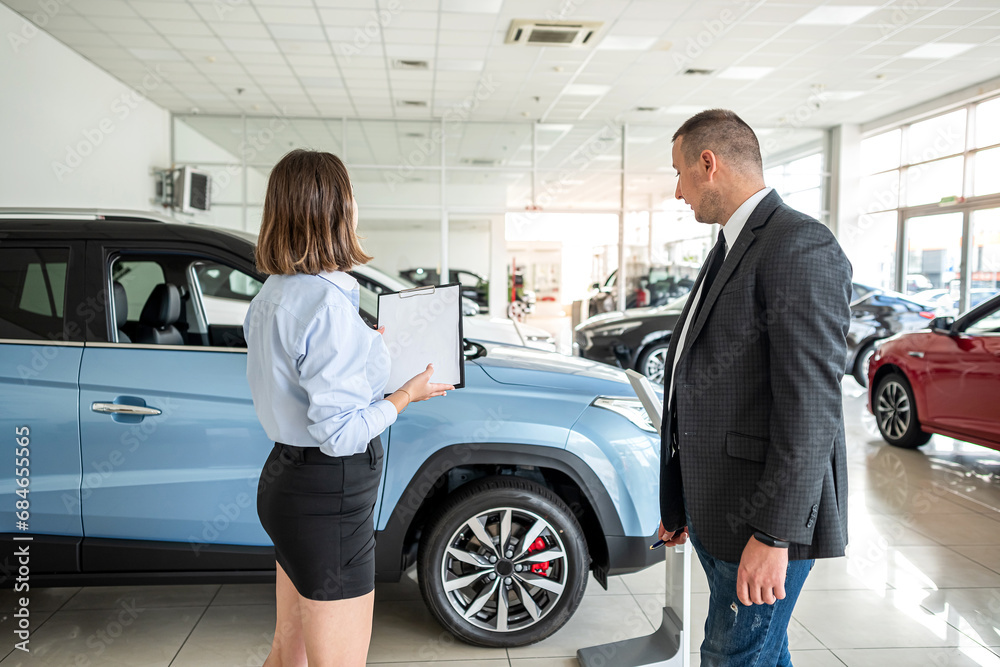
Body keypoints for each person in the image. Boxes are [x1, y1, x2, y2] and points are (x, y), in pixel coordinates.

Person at [244, 149, 455, 667]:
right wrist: (404, 396)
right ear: (335, 210)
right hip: (327, 498)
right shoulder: (328, 304)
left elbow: (306, 376)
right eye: (351, 195)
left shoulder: (273, 294)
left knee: (287, 655)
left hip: (287, 484)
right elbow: (339, 435)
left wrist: (364, 350)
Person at [656, 110, 852, 667]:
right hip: (723, 508)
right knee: (760, 653)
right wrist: (682, 497)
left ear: (708, 164)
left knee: (730, 657)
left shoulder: (798, 245)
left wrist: (774, 535)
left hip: (763, 522)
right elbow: (702, 381)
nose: (677, 192)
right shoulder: (731, 245)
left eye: (678, 173)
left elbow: (812, 406)